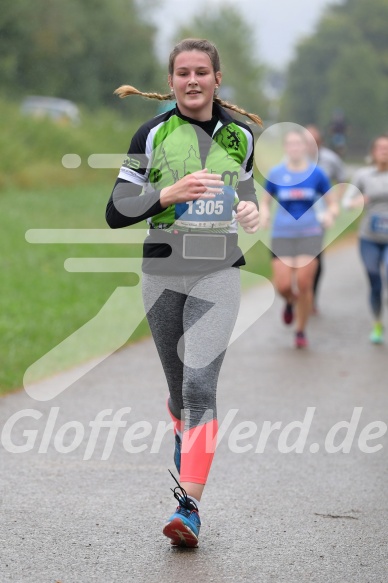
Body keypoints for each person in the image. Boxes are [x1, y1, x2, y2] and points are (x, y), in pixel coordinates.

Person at [105, 38, 261, 547]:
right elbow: (115, 211)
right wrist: (166, 194)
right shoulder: (150, 134)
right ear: (170, 82)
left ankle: (188, 509)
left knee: (199, 387)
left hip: (219, 269)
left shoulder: (240, 137)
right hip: (162, 272)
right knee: (179, 392)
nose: (192, 81)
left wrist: (251, 211)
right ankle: (184, 429)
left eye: (201, 72)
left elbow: (245, 192)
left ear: (218, 79)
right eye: (182, 73)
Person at [260, 129, 337, 348]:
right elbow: (266, 201)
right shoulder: (276, 173)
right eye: (290, 144)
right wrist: (264, 213)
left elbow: (331, 201)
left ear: (306, 147)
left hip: (309, 234)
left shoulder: (317, 174)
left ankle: (301, 330)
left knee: (304, 283)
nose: (294, 148)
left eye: (298, 144)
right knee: (283, 285)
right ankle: (290, 302)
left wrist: (331, 213)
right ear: (285, 148)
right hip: (281, 234)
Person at [342, 135, 388, 344]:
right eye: (380, 148)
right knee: (375, 282)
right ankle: (377, 322)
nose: (384, 151)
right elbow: (346, 202)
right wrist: (359, 200)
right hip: (369, 237)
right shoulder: (363, 175)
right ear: (373, 152)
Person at [305, 125, 344, 312]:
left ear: (320, 142)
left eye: (313, 140)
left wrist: (335, 204)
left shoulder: (331, 159)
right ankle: (295, 292)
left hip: (319, 216)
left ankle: (311, 296)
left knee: (315, 256)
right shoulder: (292, 159)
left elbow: (342, 181)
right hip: (294, 215)